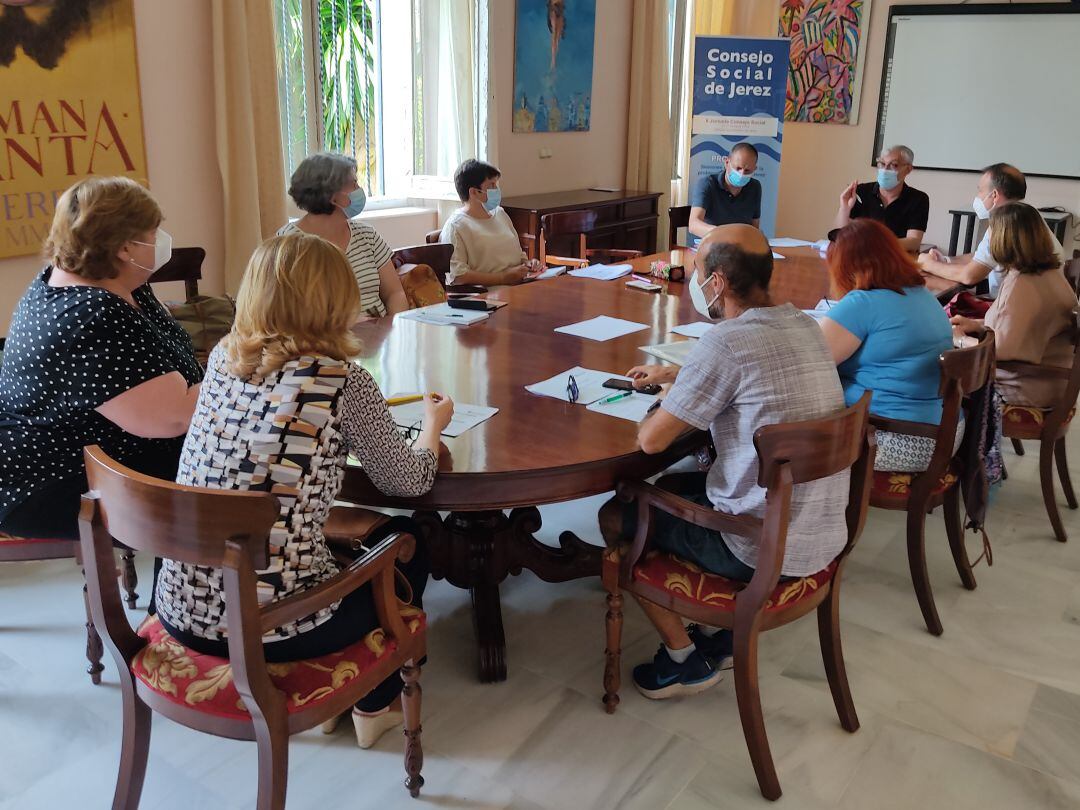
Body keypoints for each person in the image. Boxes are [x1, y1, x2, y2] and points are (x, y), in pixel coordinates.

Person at [154, 232, 454, 749]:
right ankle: (375, 701)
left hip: (181, 606)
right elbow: (407, 481)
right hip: (271, 625)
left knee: (334, 535)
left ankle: (336, 705)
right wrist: (433, 426)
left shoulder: (224, 357)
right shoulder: (341, 380)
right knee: (409, 540)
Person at [599, 224, 849, 700]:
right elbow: (753, 373)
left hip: (759, 545)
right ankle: (716, 638)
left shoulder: (726, 342)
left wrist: (670, 395)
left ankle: (681, 658)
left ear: (716, 282)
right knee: (672, 486)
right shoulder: (803, 324)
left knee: (619, 512)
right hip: (818, 527)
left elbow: (651, 441)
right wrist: (684, 374)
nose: (695, 281)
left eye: (698, 271)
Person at [0, 176, 202, 540]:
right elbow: (172, 417)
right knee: (225, 473)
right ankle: (193, 570)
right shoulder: (91, 314)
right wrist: (234, 372)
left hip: (101, 449)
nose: (161, 240)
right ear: (125, 247)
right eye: (154, 232)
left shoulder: (108, 281)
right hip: (53, 478)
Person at [819, 220, 957, 471]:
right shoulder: (922, 295)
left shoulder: (863, 303)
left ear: (845, 267)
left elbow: (811, 365)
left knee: (789, 441)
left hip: (895, 437)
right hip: (941, 432)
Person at [951, 202, 1075, 408]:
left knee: (936, 370)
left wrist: (961, 340)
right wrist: (978, 325)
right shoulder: (1049, 273)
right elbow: (1021, 327)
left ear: (1003, 238)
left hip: (1024, 387)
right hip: (1051, 381)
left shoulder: (1023, 285)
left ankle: (942, 427)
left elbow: (1000, 351)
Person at [279, 152, 409, 318]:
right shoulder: (289, 244)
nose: (359, 189)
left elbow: (395, 293)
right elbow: (289, 311)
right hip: (328, 333)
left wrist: (392, 326)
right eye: (354, 184)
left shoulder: (367, 236)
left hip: (380, 331)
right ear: (331, 195)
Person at [918, 163, 1064, 298]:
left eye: (980, 190)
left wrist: (927, 264)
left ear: (994, 195)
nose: (978, 196)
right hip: (1038, 303)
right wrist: (947, 260)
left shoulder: (1008, 224)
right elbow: (985, 256)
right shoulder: (1028, 215)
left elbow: (969, 276)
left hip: (1017, 309)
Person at [440, 159, 542, 286]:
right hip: (490, 293)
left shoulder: (500, 214)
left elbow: (518, 255)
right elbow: (458, 276)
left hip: (520, 286)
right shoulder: (456, 226)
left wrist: (528, 264)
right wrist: (502, 278)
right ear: (474, 192)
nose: (497, 190)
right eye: (492, 185)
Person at [834, 145, 928, 252]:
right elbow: (840, 235)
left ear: (908, 169)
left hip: (896, 258)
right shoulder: (861, 192)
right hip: (861, 256)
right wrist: (844, 208)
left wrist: (876, 244)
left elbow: (914, 242)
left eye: (894, 165)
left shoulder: (918, 199)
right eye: (882, 164)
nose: (885, 169)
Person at [688, 142, 761, 244]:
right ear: (727, 163)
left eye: (747, 171)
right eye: (738, 168)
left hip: (741, 246)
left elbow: (754, 227)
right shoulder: (707, 184)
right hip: (712, 245)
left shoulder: (755, 187)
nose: (741, 174)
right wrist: (725, 234)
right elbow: (693, 225)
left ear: (754, 169)